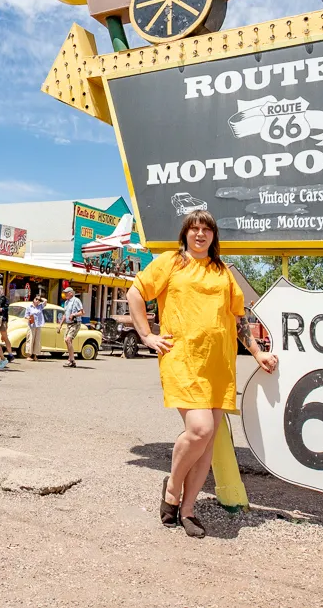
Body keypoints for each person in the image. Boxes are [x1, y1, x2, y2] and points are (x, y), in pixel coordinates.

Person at [127, 210, 277, 538]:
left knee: (207, 441)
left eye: (205, 229)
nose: (199, 234)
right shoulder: (170, 262)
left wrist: (257, 352)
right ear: (185, 234)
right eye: (193, 229)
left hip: (219, 365)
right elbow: (135, 294)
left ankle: (188, 508)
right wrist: (147, 335)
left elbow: (238, 318)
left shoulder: (223, 271)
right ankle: (172, 489)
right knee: (200, 429)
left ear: (213, 236)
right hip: (182, 359)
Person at [61, 285, 85, 368]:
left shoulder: (76, 300)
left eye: (66, 293)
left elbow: (82, 312)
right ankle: (71, 360)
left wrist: (74, 314)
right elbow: (65, 314)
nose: (65, 294)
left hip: (75, 323)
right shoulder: (66, 302)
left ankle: (71, 360)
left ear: (71, 293)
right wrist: (60, 325)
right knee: (67, 341)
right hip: (68, 324)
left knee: (68, 339)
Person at [25, 296, 45, 361]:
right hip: (31, 325)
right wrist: (30, 318)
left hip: (38, 325)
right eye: (36, 299)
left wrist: (40, 298)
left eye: (39, 300)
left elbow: (45, 301)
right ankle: (28, 355)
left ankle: (35, 355)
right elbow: (26, 316)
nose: (37, 301)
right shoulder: (29, 307)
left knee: (37, 341)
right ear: (33, 299)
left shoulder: (40, 306)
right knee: (30, 339)